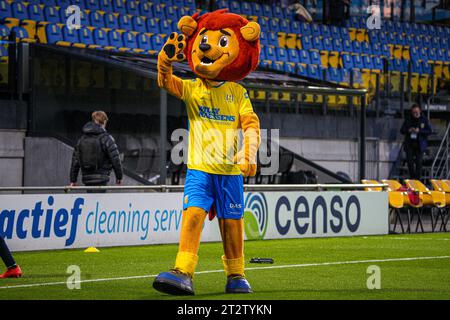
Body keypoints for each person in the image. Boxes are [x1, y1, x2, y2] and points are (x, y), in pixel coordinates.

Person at [70, 111, 123, 191]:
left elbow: (75, 161)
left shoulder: (81, 140)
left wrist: (73, 180)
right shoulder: (107, 138)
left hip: (86, 178)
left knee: (90, 201)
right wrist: (119, 177)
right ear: (104, 122)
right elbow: (115, 159)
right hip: (102, 178)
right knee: (100, 202)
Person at [400, 104, 432, 180]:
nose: (416, 114)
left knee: (419, 162)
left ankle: (417, 180)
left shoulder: (424, 119)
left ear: (420, 111)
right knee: (410, 162)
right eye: (414, 112)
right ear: (412, 112)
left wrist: (419, 131)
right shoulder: (408, 119)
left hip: (419, 145)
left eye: (417, 112)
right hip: (410, 144)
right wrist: (409, 130)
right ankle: (412, 177)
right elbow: (402, 130)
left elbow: (429, 131)